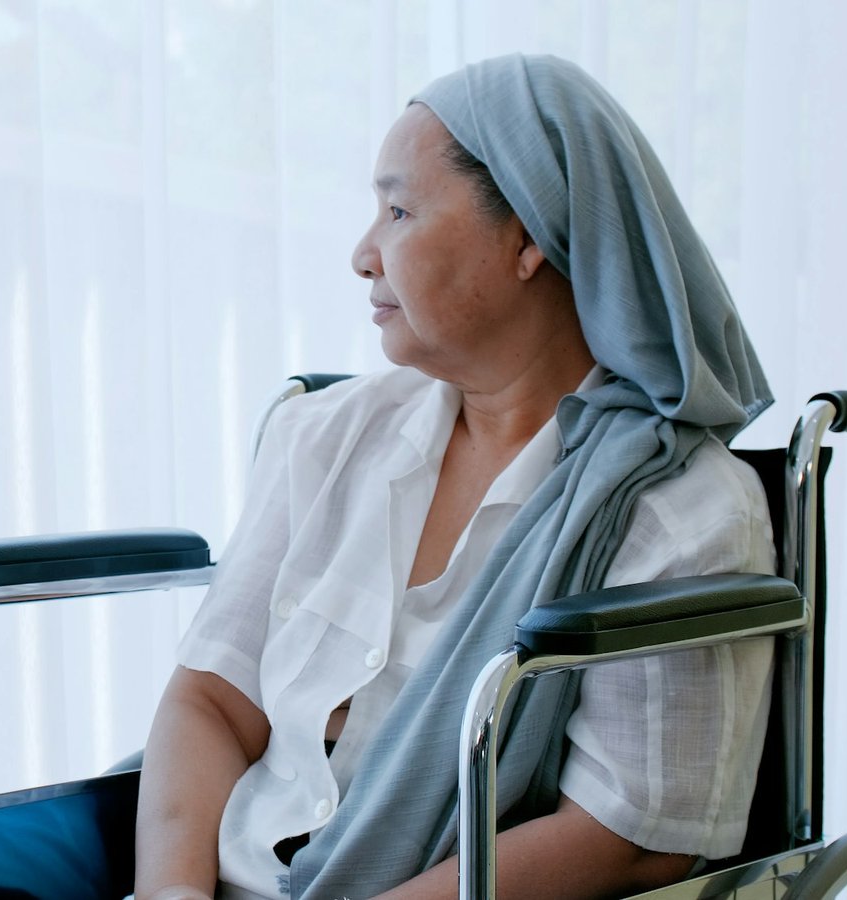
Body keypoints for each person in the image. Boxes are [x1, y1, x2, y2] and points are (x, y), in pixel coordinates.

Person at [134, 54, 776, 900]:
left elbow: (630, 839)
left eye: (399, 210)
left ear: (528, 241)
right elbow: (211, 702)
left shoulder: (679, 515)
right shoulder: (323, 438)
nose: (364, 254)